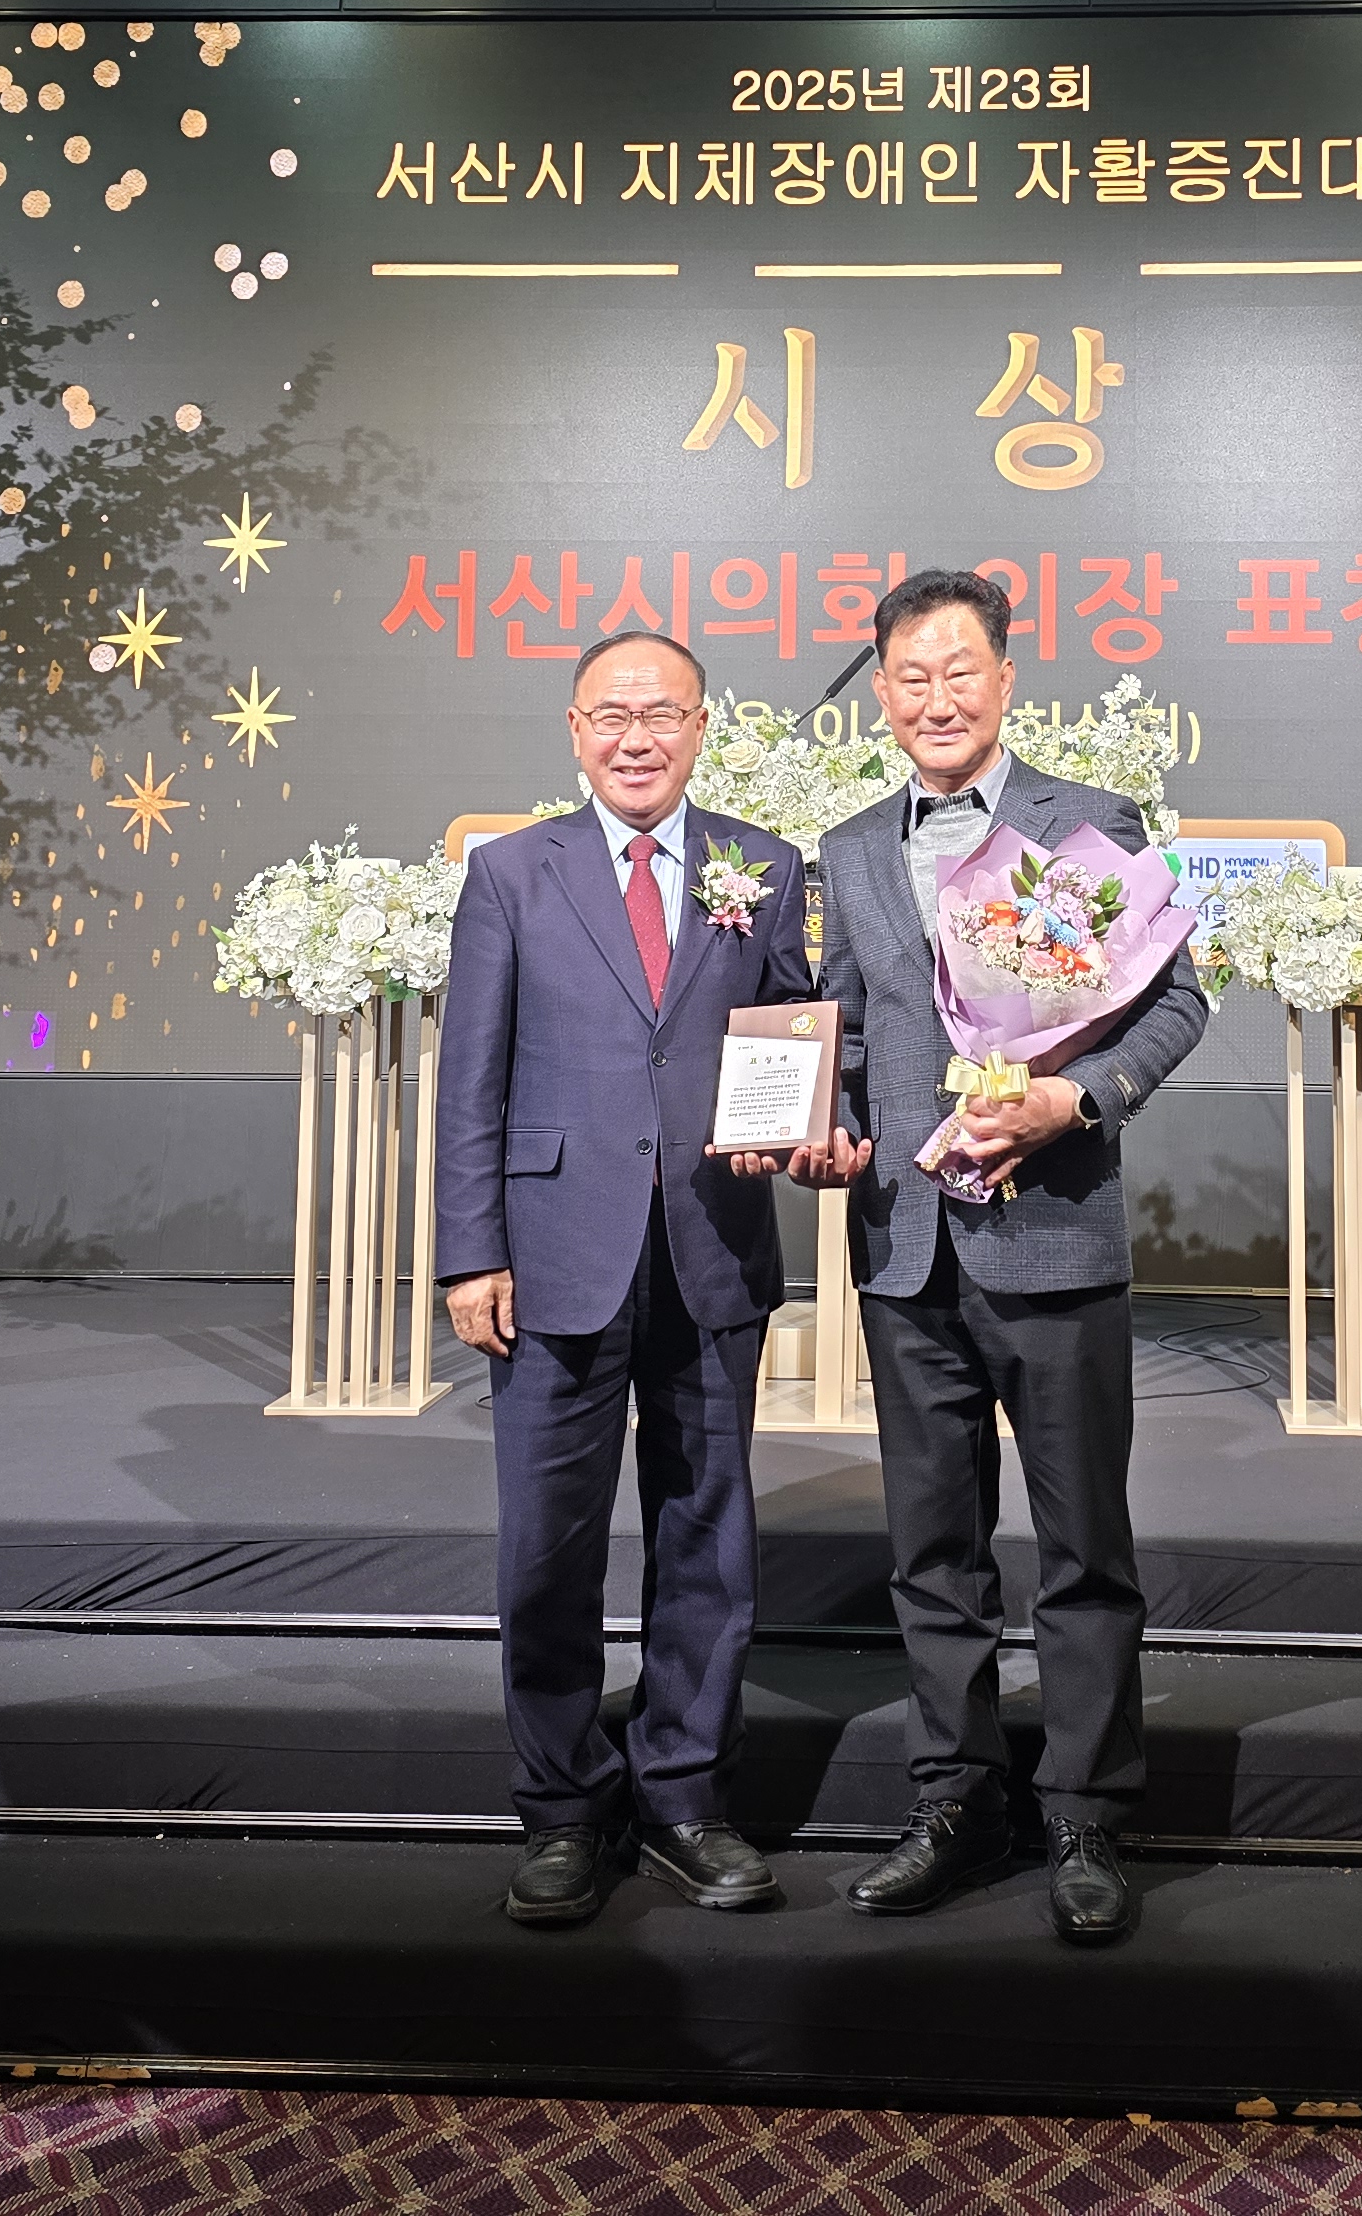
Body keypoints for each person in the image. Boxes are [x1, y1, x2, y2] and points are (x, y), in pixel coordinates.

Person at [763, 568, 1207, 1946]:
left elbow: (1174, 1002)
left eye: (961, 672)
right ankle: (953, 1802)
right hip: (905, 1250)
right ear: (883, 696)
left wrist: (1079, 1099)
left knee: (1083, 1550)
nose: (937, 698)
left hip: (1054, 1240)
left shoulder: (1088, 820)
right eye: (912, 677)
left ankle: (1084, 1815)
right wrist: (826, 1129)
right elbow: (842, 1028)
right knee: (931, 1553)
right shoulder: (847, 847)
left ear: (1006, 680)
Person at [432, 630, 819, 1927]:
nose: (636, 737)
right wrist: (470, 1249)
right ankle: (558, 1807)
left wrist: (811, 1117)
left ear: (703, 726)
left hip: (713, 1246)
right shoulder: (510, 872)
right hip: (550, 1255)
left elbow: (794, 1031)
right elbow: (470, 1079)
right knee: (547, 1548)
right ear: (574, 728)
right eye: (612, 714)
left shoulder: (762, 867)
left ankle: (686, 1798)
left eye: (662, 713)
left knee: (709, 1539)